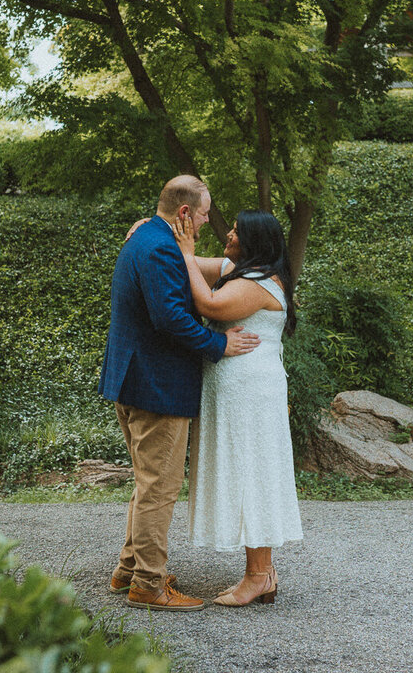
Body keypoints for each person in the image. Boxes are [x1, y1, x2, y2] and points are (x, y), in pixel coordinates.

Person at [98, 175, 260, 612]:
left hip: (136, 378)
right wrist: (220, 344)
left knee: (146, 481)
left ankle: (129, 568)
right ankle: (149, 585)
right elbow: (170, 318)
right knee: (160, 488)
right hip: (156, 385)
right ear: (185, 213)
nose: (209, 221)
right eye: (205, 213)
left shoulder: (149, 236)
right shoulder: (158, 248)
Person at [171, 209, 304, 607]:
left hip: (251, 395)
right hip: (235, 393)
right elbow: (189, 264)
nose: (228, 233)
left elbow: (209, 304)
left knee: (253, 473)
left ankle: (259, 575)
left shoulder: (260, 283)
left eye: (236, 230)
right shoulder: (239, 268)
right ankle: (262, 574)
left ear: (255, 241)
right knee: (245, 471)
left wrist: (185, 246)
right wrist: (157, 232)